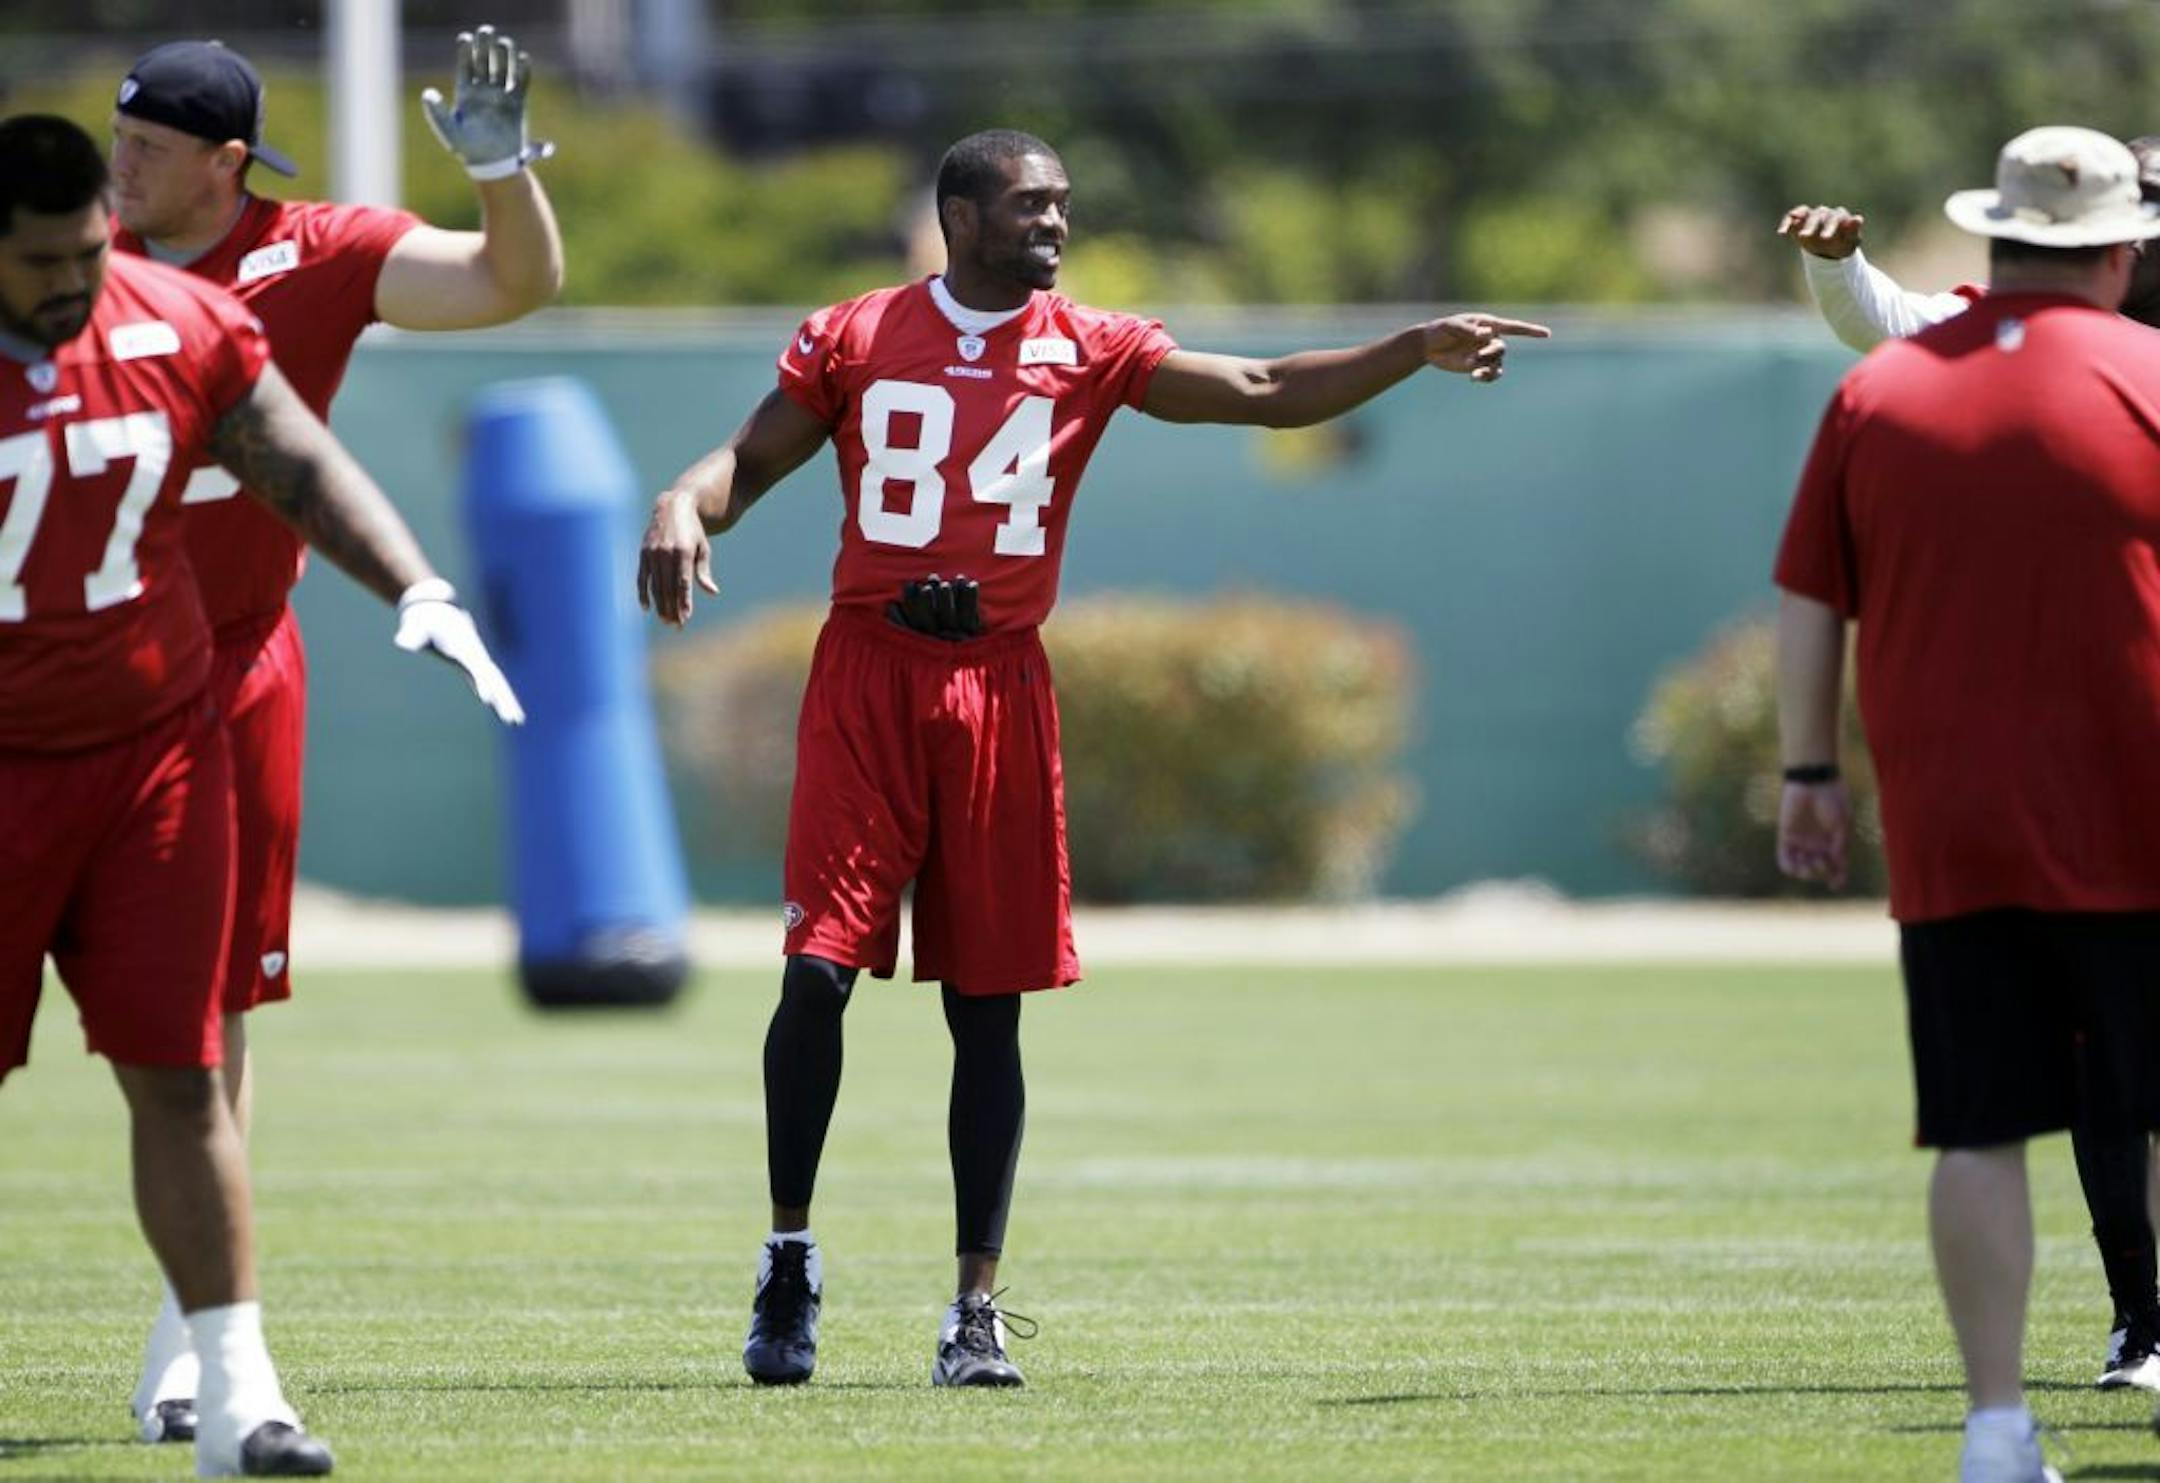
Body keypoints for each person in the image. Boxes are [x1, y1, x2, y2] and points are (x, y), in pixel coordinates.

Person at [637, 127, 1548, 1389]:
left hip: (1000, 687)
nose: (1054, 226)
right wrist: (681, 500)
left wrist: (1409, 349)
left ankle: (973, 1309)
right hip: (869, 680)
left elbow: (1267, 389)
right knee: (816, 974)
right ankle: (789, 1258)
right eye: (1027, 206)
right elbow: (749, 460)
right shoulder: (854, 333)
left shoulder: (1094, 345)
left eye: (1063, 205)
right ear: (961, 215)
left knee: (988, 1007)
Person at [0, 115, 517, 1476]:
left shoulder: (171, 314)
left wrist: (415, 584)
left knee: (185, 1069)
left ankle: (233, 1394)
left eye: (89, 247)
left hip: (148, 751)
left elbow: (298, 460)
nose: (75, 278)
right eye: (45, 257)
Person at [104, 30, 563, 1443]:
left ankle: (191, 1337)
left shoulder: (316, 247)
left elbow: (508, 284)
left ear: (225, 162)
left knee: (208, 1005)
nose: (116, 167)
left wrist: (502, 169)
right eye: (110, 139)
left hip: (228, 670)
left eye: (145, 149)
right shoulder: (69, 260)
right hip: (52, 663)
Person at [1774, 125, 2160, 1483]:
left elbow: (1813, 589)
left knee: (1982, 1122)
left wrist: (1809, 772)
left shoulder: (1886, 391)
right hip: (2144, 813)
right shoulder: (2154, 373)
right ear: (2123, 246)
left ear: (1994, 231)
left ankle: (1997, 1426)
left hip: (1957, 821)